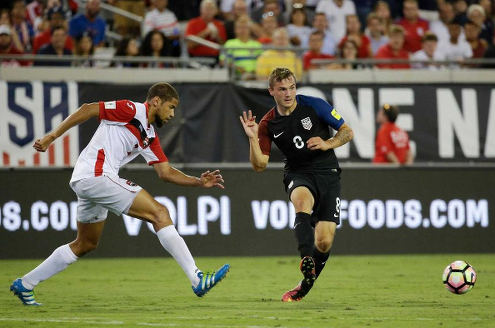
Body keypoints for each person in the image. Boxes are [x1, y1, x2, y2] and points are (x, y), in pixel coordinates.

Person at [10, 82, 230, 306]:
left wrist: (198, 182)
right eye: (171, 107)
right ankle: (196, 278)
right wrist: (51, 137)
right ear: (156, 101)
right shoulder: (131, 110)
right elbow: (87, 109)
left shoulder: (149, 135)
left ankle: (25, 284)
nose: (173, 114)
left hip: (89, 180)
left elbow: (164, 172)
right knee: (160, 213)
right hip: (96, 175)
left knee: (85, 243)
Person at [239, 67, 353, 302]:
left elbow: (347, 132)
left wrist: (327, 143)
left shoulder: (314, 105)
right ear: (271, 91)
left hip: (327, 172)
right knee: (301, 201)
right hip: (298, 172)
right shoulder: (268, 123)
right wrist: (252, 139)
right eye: (282, 89)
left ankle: (305, 284)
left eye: (291, 87)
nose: (288, 93)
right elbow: (260, 165)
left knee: (324, 240)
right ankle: (305, 259)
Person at [220, 15, 262, 79]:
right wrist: (239, 69)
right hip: (236, 76)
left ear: (249, 29)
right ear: (235, 30)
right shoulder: (229, 44)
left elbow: (262, 63)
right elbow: (223, 61)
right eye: (240, 27)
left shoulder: (257, 45)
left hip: (256, 76)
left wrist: (253, 73)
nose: (243, 30)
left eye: (245, 27)